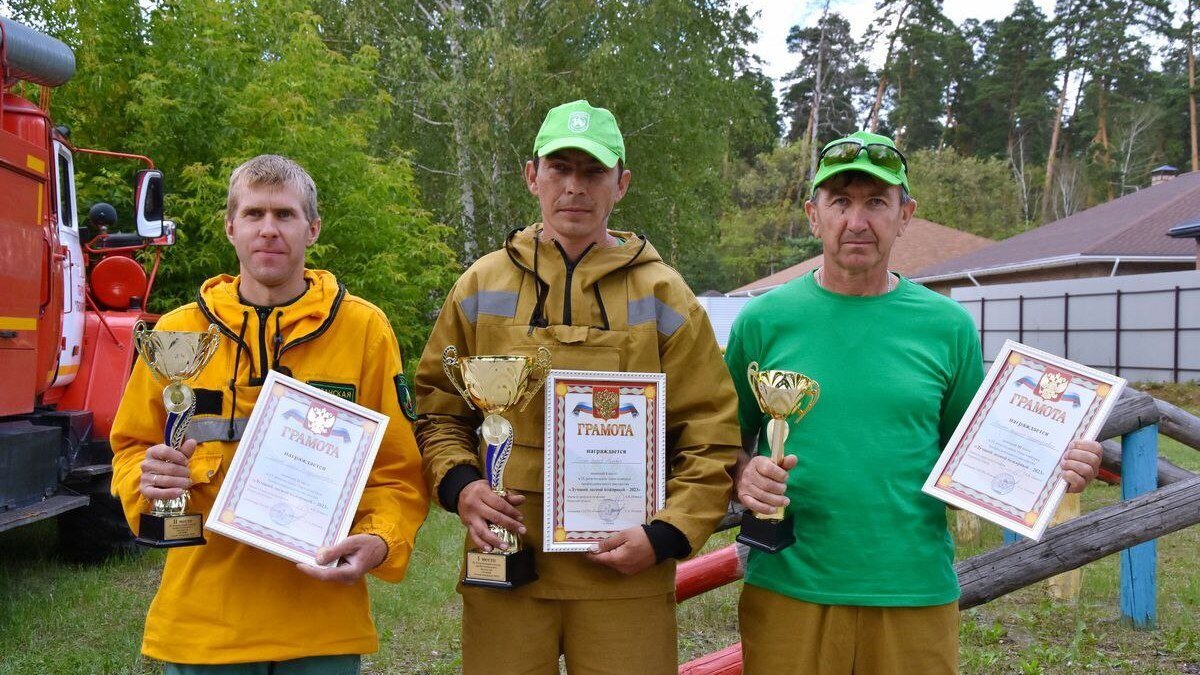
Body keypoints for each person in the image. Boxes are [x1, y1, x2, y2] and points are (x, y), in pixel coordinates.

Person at [725, 131, 1104, 674]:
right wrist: (742, 475)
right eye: (841, 202)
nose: (858, 221)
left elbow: (974, 453)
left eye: (877, 202)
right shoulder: (762, 321)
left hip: (913, 590)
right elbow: (719, 440)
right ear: (813, 215)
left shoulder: (946, 326)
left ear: (906, 215)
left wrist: (1054, 464)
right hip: (790, 585)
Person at [414, 100, 741, 674]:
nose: (574, 187)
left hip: (625, 572)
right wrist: (463, 486)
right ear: (532, 175)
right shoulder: (479, 285)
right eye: (560, 168)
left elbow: (711, 435)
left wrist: (667, 533)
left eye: (592, 172)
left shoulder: (665, 296)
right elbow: (438, 410)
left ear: (621, 183)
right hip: (505, 563)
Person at [110, 154, 429, 673]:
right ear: (230, 227)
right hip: (202, 626)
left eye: (285, 215)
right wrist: (146, 481)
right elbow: (130, 447)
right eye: (255, 214)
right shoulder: (177, 332)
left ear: (313, 229)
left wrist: (380, 540)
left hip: (322, 626)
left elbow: (398, 472)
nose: (269, 230)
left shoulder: (364, 331)